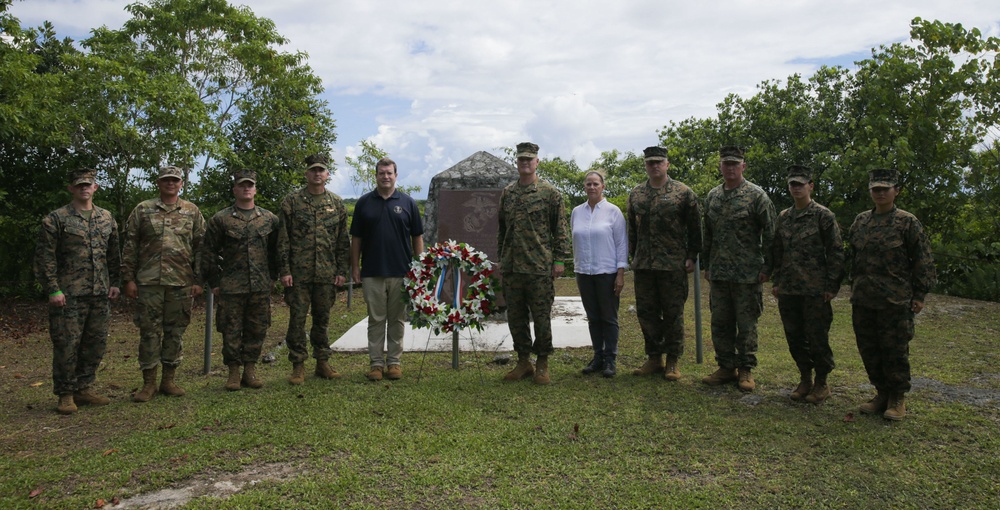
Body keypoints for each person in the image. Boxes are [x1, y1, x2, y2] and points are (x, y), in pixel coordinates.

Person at [848, 168, 935, 421]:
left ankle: (898, 397)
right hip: (864, 298)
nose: (880, 193)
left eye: (885, 189)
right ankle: (881, 393)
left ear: (896, 191)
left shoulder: (907, 222)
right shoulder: (861, 221)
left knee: (895, 350)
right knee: (869, 348)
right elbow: (854, 258)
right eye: (876, 189)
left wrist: (919, 294)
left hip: (895, 300)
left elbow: (923, 261)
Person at [34, 167, 121, 414]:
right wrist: (53, 289)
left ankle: (83, 388)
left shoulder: (106, 218)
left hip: (99, 293)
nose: (84, 188)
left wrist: (115, 282)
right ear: (71, 188)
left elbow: (114, 255)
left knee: (95, 343)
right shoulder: (56, 219)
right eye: (79, 184)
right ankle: (65, 393)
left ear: (95, 188)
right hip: (68, 294)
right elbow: (45, 258)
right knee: (66, 344)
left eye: (89, 184)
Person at [122, 165, 205, 402]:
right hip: (148, 282)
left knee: (175, 331)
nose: (170, 183)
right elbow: (130, 246)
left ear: (181, 184)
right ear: (158, 183)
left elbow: (201, 247)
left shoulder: (192, 211)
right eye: (166, 180)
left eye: (175, 180)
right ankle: (148, 384)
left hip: (180, 282)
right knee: (149, 332)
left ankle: (168, 380)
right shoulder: (143, 210)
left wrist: (199, 280)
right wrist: (128, 279)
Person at [702, 146, 776, 392]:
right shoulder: (713, 196)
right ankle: (726, 366)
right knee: (720, 322)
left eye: (735, 163)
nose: (730, 168)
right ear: (720, 166)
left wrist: (768, 266)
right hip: (720, 273)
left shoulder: (757, 196)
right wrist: (707, 265)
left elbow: (771, 234)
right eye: (726, 164)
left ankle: (745, 369)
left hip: (748, 274)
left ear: (743, 166)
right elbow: (708, 235)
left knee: (746, 324)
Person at [497, 142, 570, 385]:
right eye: (521, 160)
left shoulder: (550, 193)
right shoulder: (508, 192)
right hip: (512, 267)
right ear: (517, 163)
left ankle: (542, 363)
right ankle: (523, 361)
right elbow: (502, 230)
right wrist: (501, 259)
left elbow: (560, 230)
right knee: (516, 317)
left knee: (541, 317)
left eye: (529, 159)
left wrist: (559, 260)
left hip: (539, 267)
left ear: (537, 162)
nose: (525, 163)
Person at [201, 169, 281, 391]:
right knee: (231, 329)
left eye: (250, 185)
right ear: (235, 189)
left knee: (257, 328)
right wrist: (214, 281)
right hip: (231, 286)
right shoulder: (221, 219)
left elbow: (277, 251)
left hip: (260, 285)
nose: (246, 188)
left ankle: (250, 370)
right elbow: (208, 251)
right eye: (242, 185)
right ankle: (233, 372)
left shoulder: (269, 219)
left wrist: (273, 277)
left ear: (255, 189)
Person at [627, 146, 702, 381]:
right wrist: (633, 256)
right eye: (650, 163)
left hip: (672, 265)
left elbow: (695, 228)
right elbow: (632, 229)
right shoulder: (637, 194)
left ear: (667, 164)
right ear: (645, 165)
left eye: (659, 162)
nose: (654, 166)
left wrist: (692, 255)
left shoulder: (683, 193)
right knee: (646, 313)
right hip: (645, 265)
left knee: (673, 313)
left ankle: (672, 359)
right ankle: (654, 357)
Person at [771, 165, 844, 404]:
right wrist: (777, 281)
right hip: (790, 289)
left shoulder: (823, 215)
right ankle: (805, 378)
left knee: (817, 338)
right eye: (792, 184)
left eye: (801, 184)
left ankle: (822, 382)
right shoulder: (784, 217)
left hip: (815, 290)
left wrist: (832, 286)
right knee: (794, 336)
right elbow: (778, 252)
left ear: (810, 186)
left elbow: (835, 252)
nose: (796, 188)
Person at [278, 153, 350, 385]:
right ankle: (297, 365)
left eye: (321, 170)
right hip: (298, 274)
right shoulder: (292, 201)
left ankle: (322, 362)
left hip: (326, 273)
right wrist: (285, 270)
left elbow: (342, 242)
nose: (317, 174)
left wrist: (341, 271)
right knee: (297, 320)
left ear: (327, 174)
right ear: (307, 174)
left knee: (323, 319)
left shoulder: (336, 203)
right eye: (313, 170)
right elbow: (283, 240)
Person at [350, 157, 424, 382]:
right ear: (376, 175)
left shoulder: (408, 203)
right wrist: (355, 266)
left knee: (397, 319)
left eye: (389, 173)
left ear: (396, 175)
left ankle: (394, 363)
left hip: (401, 271)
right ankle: (375, 364)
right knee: (376, 319)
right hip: (372, 271)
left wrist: (419, 267)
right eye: (382, 173)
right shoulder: (364, 203)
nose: (385, 176)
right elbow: (356, 239)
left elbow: (417, 237)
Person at [571, 170, 628, 377]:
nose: (592, 187)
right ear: (584, 187)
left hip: (607, 272)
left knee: (609, 318)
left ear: (603, 186)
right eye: (588, 184)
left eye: (596, 184)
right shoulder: (577, 212)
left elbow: (622, 244)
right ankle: (598, 356)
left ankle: (610, 359)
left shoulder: (613, 212)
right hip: (584, 272)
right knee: (593, 317)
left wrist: (620, 273)